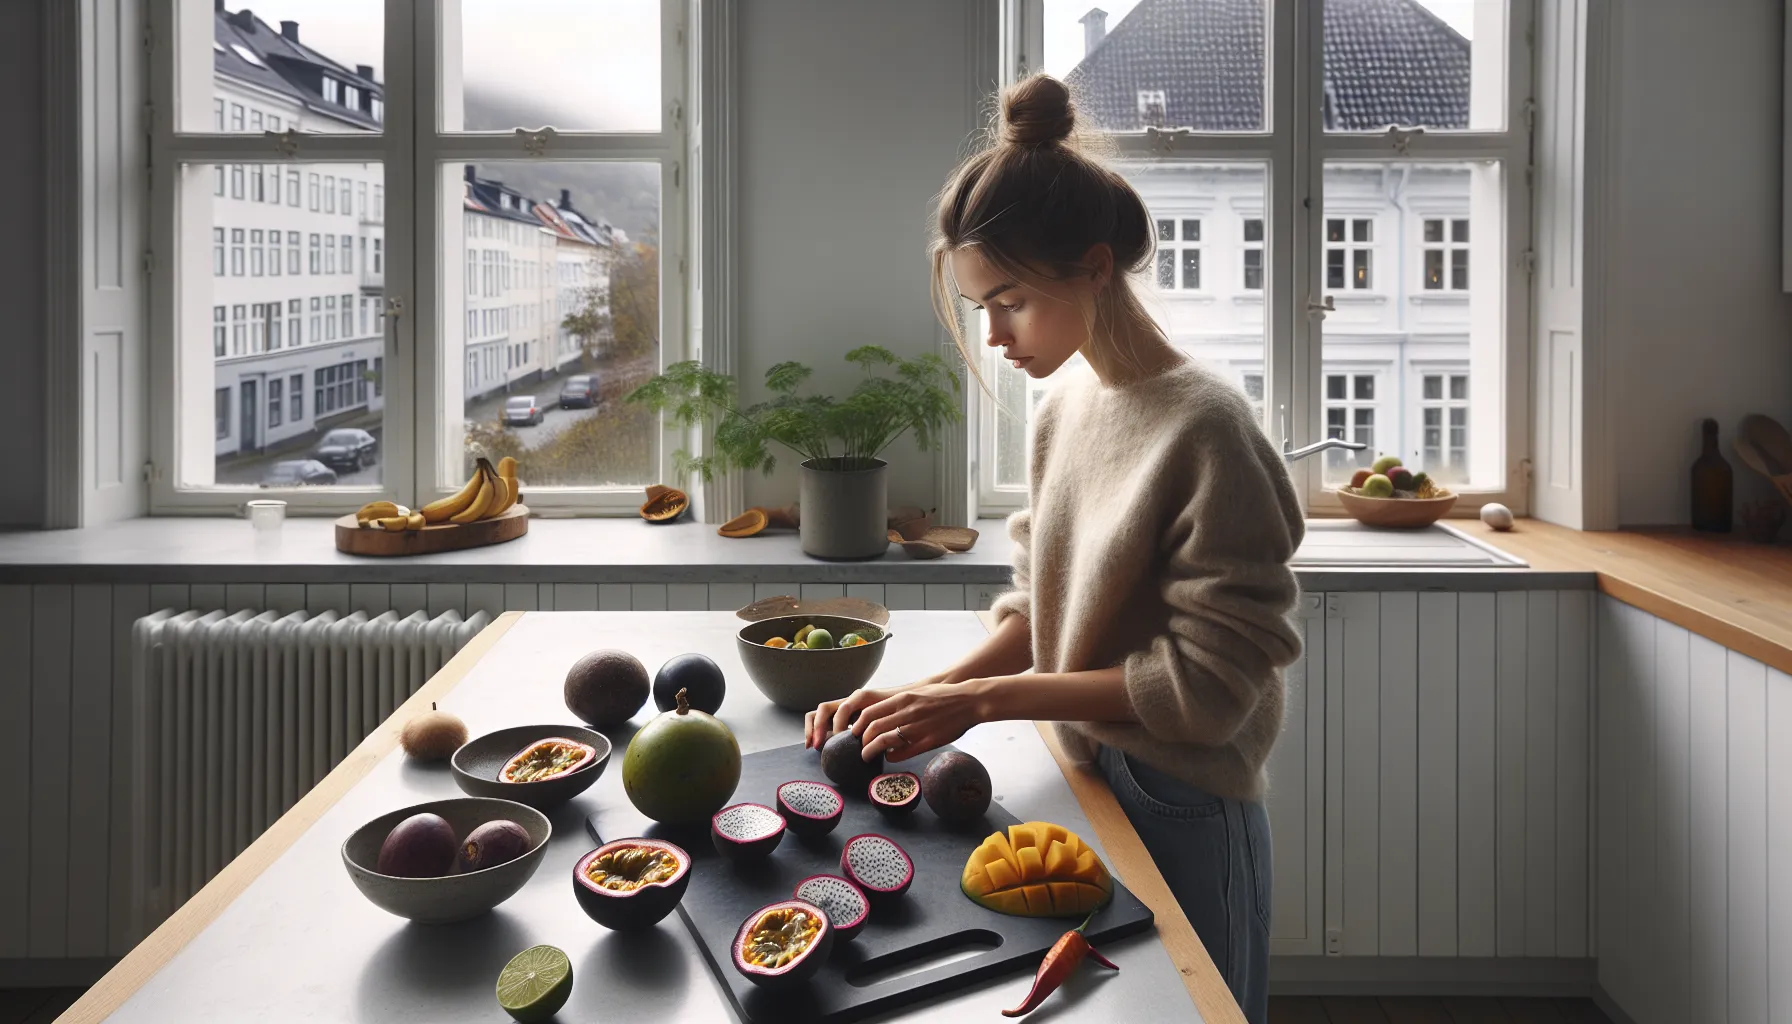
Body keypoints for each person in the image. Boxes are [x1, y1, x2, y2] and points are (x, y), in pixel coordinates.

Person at [802, 72, 1303, 1024]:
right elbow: (1044, 612)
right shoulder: (1065, 407)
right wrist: (925, 697)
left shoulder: (1208, 428)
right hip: (1083, 773)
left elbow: (1205, 695)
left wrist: (982, 701)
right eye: (978, 305)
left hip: (1187, 804)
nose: (991, 335)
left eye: (1011, 301)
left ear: (1096, 266)